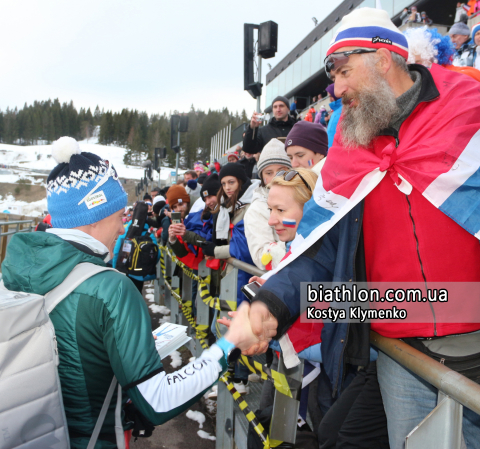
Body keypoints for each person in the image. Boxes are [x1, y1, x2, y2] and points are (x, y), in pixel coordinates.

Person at [243, 7, 480, 449]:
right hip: (401, 355)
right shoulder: (350, 151)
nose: (336, 89)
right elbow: (320, 250)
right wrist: (273, 305)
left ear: (383, 59)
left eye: (345, 72)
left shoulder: (467, 114)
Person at [1, 136, 260, 449]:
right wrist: (228, 345)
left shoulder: (11, 272)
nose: (122, 224)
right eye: (118, 214)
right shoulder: (111, 288)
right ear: (95, 214)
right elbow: (159, 400)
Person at [203, 163, 260, 394]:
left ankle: (239, 379)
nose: (227, 187)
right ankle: (232, 378)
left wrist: (214, 250)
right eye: (224, 183)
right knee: (228, 326)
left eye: (231, 182)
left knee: (236, 327)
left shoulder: (249, 206)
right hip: (234, 276)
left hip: (245, 276)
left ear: (241, 182)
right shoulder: (229, 206)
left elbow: (242, 248)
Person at [244, 138, 292, 271]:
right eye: (269, 173)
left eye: (282, 170)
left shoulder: (303, 197)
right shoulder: (256, 209)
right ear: (262, 177)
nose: (276, 177)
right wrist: (296, 244)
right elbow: (262, 257)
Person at [113, 201, 159, 293]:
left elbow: (116, 252)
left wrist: (115, 268)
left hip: (125, 271)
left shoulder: (126, 231)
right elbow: (157, 254)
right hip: (140, 273)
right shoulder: (149, 234)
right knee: (137, 294)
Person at [325, 84, 342, 148]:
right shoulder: (337, 111)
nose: (330, 99)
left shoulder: (343, 110)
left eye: (331, 96)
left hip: (336, 151)